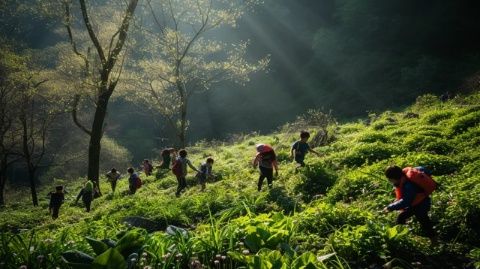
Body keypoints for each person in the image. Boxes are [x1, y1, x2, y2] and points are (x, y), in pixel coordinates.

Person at [383, 166, 437, 244]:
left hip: (421, 204)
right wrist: (394, 203)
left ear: (394, 178)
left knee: (424, 222)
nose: (390, 181)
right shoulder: (403, 179)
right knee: (401, 217)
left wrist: (390, 207)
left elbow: (406, 201)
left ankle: (435, 241)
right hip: (416, 203)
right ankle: (402, 238)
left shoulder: (408, 185)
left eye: (390, 179)